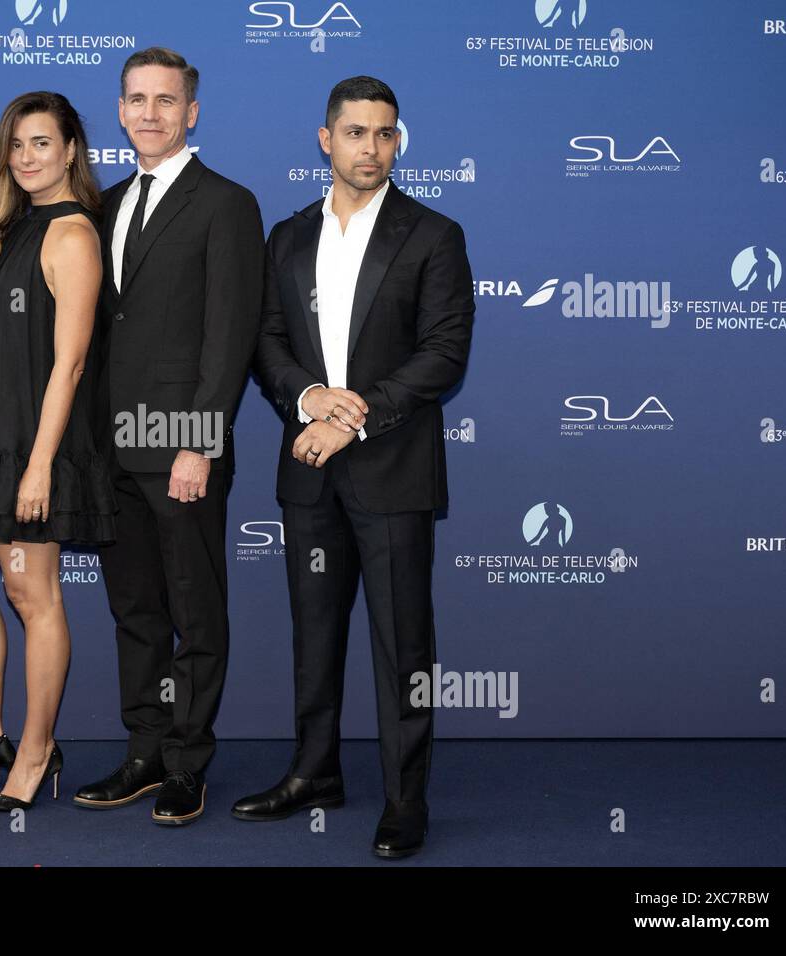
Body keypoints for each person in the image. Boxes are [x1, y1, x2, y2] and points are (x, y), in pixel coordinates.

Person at [242, 76, 475, 858]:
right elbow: (266, 341)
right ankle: (314, 772)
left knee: (403, 643)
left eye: (385, 134)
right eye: (355, 133)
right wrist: (310, 398)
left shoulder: (433, 235)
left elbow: (443, 355)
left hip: (393, 470)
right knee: (315, 635)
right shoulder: (288, 236)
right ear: (326, 139)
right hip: (309, 465)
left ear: (396, 142)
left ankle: (406, 799)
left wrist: (353, 417)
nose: (371, 148)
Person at [72, 47, 264, 826]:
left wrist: (199, 441)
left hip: (181, 446)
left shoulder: (226, 203)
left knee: (195, 609)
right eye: (136, 99)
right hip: (111, 450)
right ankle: (145, 753)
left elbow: (229, 335)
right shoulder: (107, 203)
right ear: (119, 111)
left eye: (166, 100)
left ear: (192, 112)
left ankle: (189, 761)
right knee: (136, 612)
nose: (149, 112)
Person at [0, 91, 112, 812]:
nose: (29, 157)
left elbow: (69, 363)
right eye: (17, 145)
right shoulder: (12, 229)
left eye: (43, 143)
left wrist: (39, 465)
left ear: (72, 149)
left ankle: (37, 753)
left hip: (30, 447)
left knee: (31, 595)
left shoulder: (71, 235)